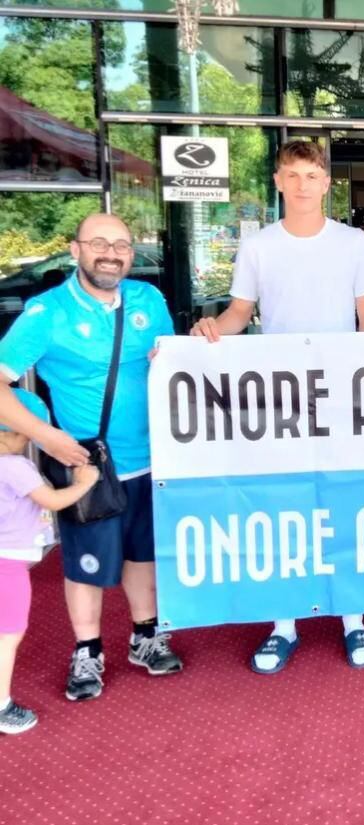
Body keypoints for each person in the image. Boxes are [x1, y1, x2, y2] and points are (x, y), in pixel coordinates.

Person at [191, 139, 364, 675]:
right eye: (292, 174)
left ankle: (354, 618)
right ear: (278, 181)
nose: (302, 184)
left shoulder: (353, 243)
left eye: (311, 175)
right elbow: (238, 313)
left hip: (343, 396)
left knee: (343, 504)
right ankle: (283, 624)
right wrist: (210, 331)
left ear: (327, 183)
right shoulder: (259, 247)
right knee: (285, 507)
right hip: (280, 400)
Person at [0, 213, 183, 702]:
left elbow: (169, 358)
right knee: (86, 564)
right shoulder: (47, 312)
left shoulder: (149, 300)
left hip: (153, 456)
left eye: (121, 244)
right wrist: (47, 438)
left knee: (142, 554)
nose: (111, 252)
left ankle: (146, 637)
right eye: (99, 243)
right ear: (76, 249)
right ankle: (88, 650)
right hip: (85, 462)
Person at [0, 389, 100, 733]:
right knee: (8, 635)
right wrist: (85, 483)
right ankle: (1, 706)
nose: (27, 441)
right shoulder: (14, 467)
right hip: (7, 565)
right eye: (24, 433)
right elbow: (54, 501)